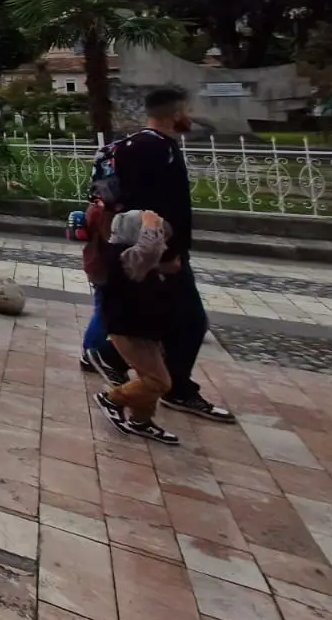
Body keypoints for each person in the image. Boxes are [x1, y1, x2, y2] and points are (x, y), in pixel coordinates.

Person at [87, 86, 234, 424]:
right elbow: (148, 208)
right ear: (176, 113)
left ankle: (119, 359)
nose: (191, 117)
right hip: (158, 255)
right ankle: (170, 388)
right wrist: (161, 254)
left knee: (167, 321)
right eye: (187, 111)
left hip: (155, 252)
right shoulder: (155, 151)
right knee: (190, 322)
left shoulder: (139, 146)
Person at [94, 208, 182, 443]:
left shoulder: (130, 258)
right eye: (158, 235)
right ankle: (112, 398)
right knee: (159, 382)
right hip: (129, 330)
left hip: (143, 328)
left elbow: (149, 261)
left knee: (148, 377)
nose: (162, 242)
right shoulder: (123, 256)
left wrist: (164, 266)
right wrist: (150, 223)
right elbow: (147, 252)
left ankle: (141, 420)